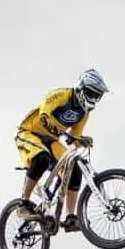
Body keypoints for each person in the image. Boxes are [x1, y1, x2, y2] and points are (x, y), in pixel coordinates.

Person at [13, 69, 110, 231]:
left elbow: (74, 137)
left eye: (96, 95)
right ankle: (23, 203)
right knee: (41, 158)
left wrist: (82, 141)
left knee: (75, 168)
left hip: (51, 141)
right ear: (80, 88)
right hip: (30, 132)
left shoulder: (83, 113)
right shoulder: (62, 95)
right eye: (90, 93)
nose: (93, 98)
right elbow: (44, 111)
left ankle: (71, 217)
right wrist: (50, 123)